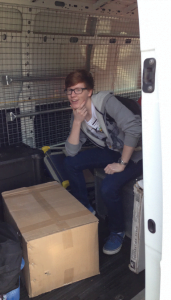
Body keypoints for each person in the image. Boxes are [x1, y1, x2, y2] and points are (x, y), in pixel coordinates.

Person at [64, 69, 142, 255]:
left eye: (78, 90)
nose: (73, 95)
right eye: (69, 90)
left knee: (108, 187)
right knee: (70, 163)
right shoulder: (78, 114)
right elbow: (71, 151)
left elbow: (134, 128)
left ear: (89, 91)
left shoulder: (105, 102)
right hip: (113, 150)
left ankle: (117, 231)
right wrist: (76, 122)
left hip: (138, 153)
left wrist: (122, 164)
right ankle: (86, 207)